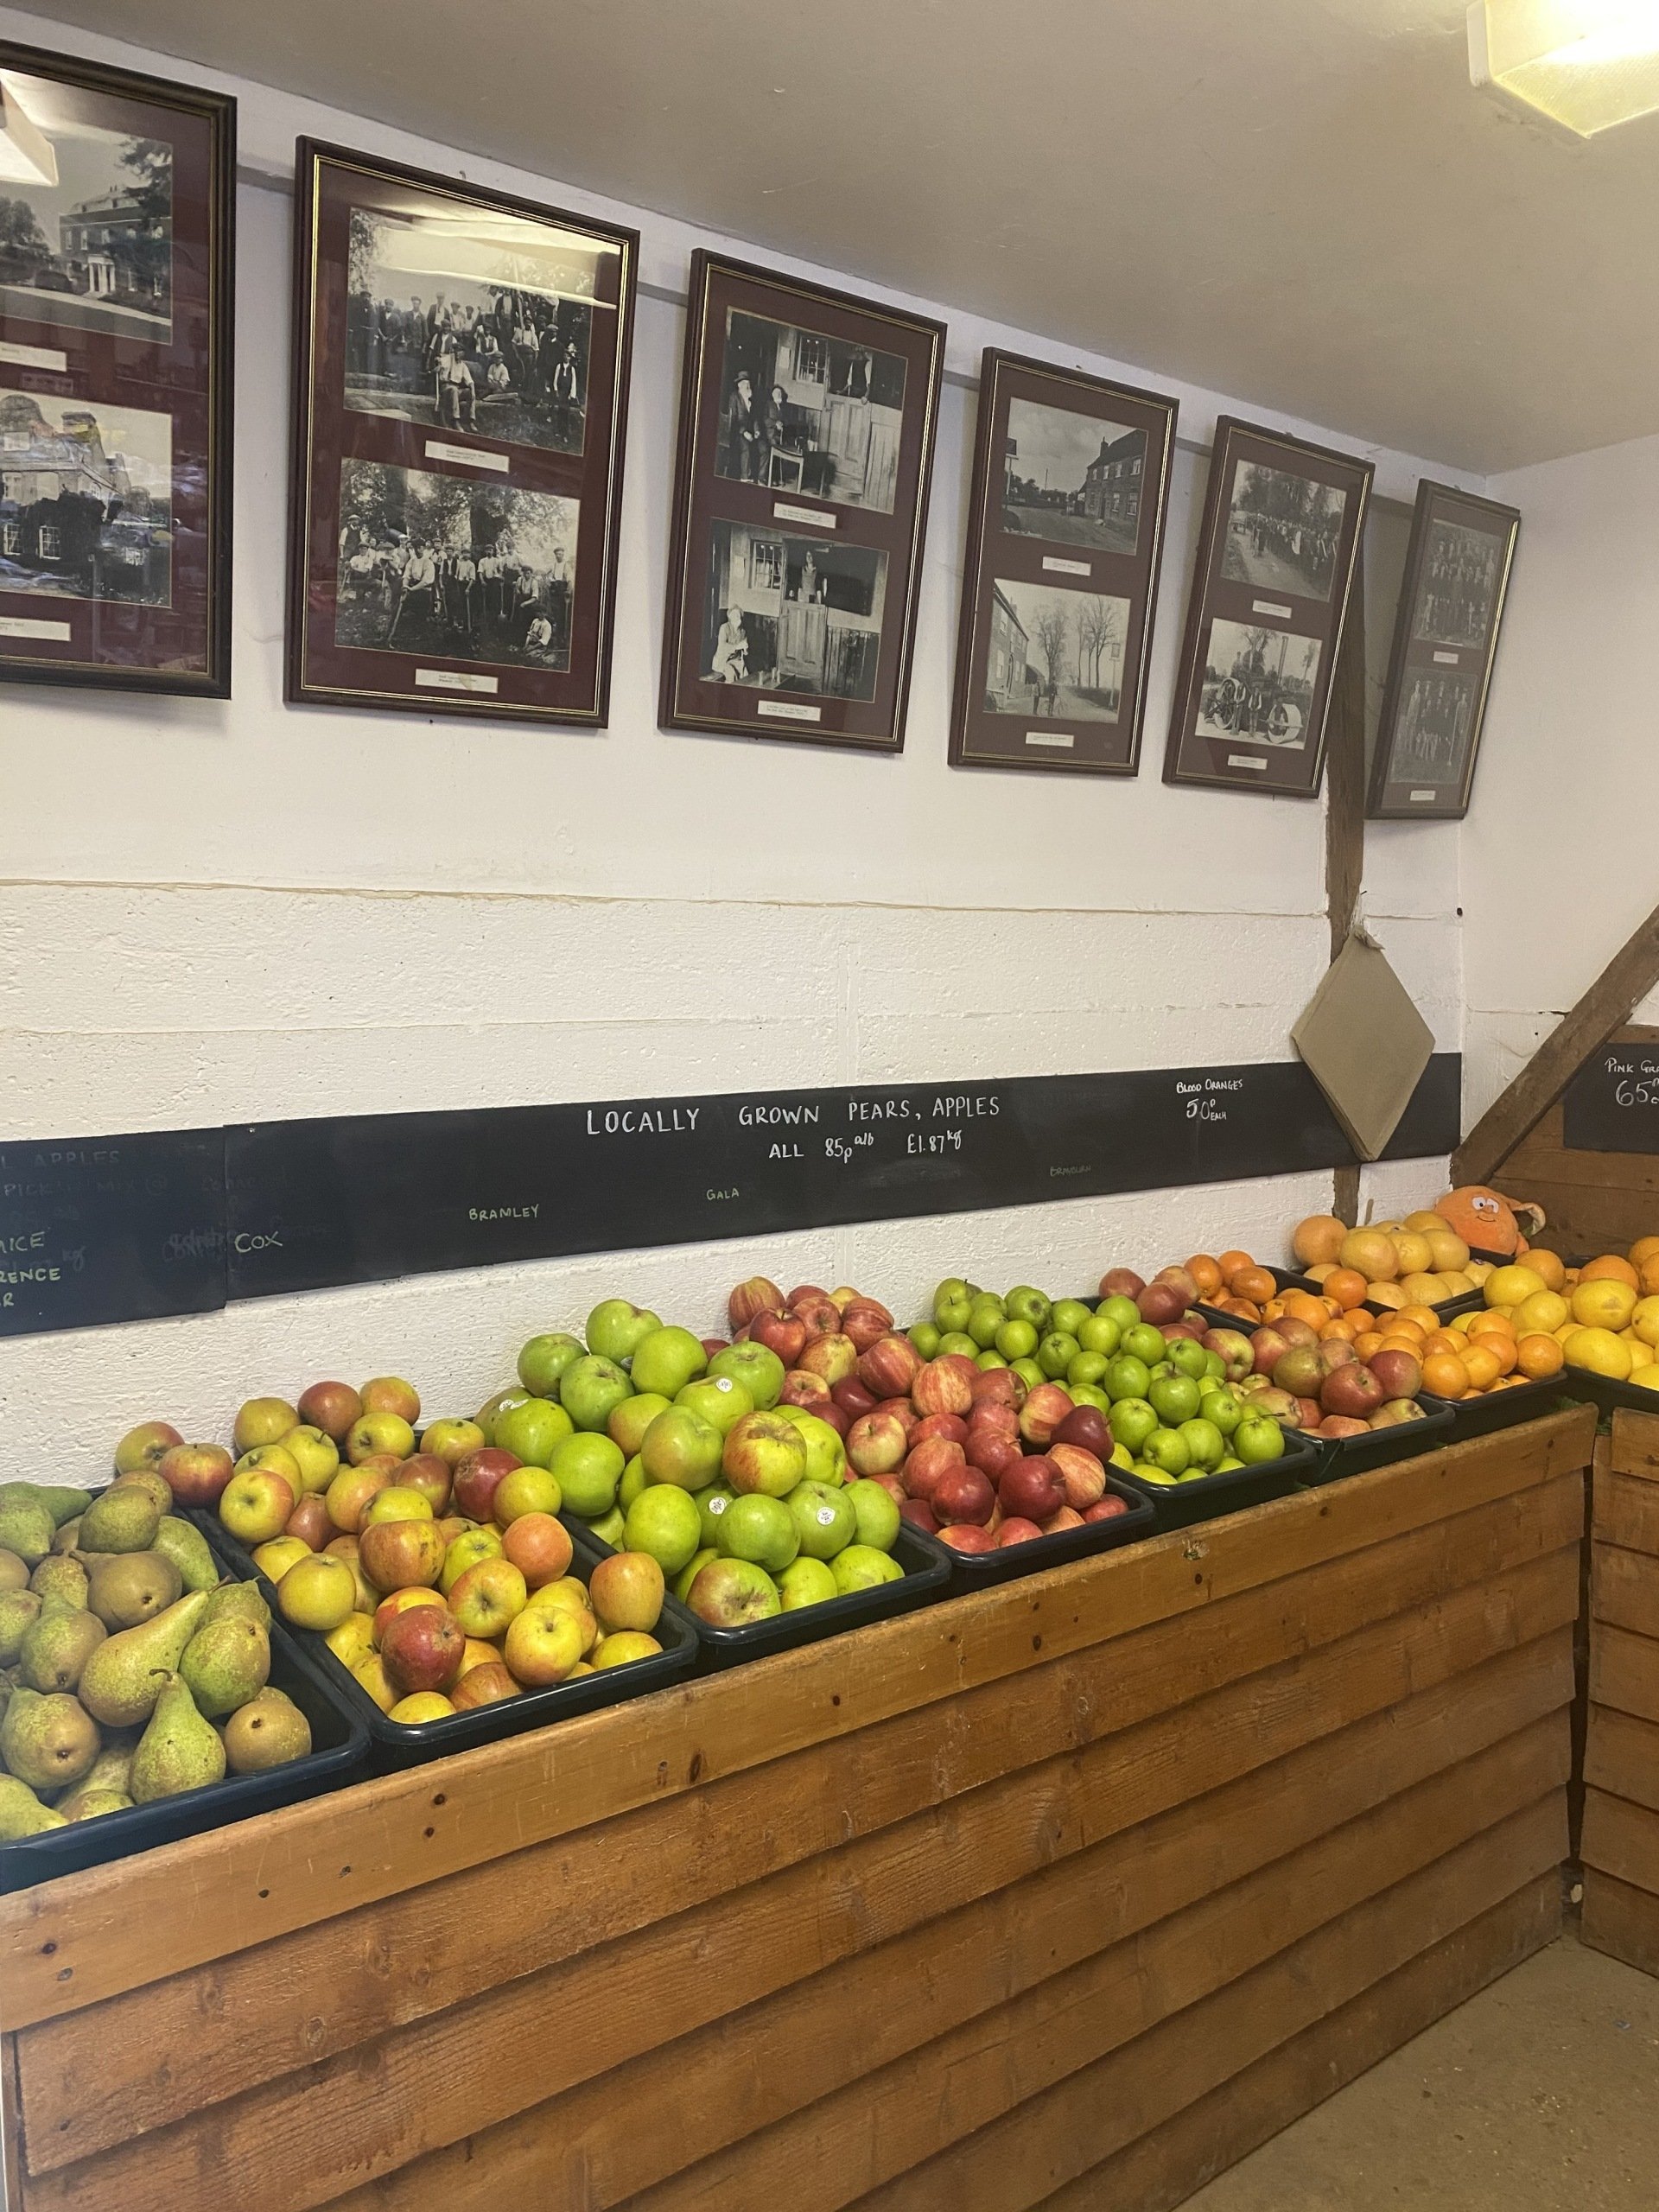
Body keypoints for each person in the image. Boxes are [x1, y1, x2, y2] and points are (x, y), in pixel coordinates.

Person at [388, 542, 437, 644]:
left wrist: (412, 589)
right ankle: (391, 634)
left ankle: (422, 639)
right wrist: (406, 586)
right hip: (411, 588)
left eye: (419, 547)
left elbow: (426, 581)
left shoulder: (428, 563)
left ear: (423, 548)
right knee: (397, 609)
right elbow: (406, 575)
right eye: (415, 548)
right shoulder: (412, 561)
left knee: (421, 616)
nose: (417, 550)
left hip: (423, 591)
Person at [725, 371, 766, 481]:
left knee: (764, 448)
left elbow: (755, 418)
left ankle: (761, 478)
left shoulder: (751, 400)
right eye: (745, 384)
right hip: (737, 433)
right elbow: (733, 420)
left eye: (749, 384)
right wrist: (744, 432)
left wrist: (757, 430)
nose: (748, 387)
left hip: (751, 432)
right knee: (746, 446)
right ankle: (745, 478)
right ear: (739, 385)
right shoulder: (734, 397)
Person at [435, 340, 477, 432]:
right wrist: (438, 363)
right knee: (453, 390)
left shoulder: (463, 366)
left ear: (463, 354)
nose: (457, 354)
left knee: (470, 393)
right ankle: (456, 420)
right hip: (446, 388)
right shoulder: (449, 359)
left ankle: (470, 420)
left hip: (457, 389)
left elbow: (470, 381)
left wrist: (473, 391)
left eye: (460, 352)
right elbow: (440, 361)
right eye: (456, 351)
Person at [711, 605, 749, 682]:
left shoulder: (743, 632)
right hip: (722, 660)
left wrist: (746, 649)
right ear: (730, 617)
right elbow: (722, 646)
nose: (736, 617)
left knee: (746, 675)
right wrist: (737, 646)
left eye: (738, 615)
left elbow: (744, 652)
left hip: (734, 660)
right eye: (734, 615)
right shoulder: (724, 627)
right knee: (731, 674)